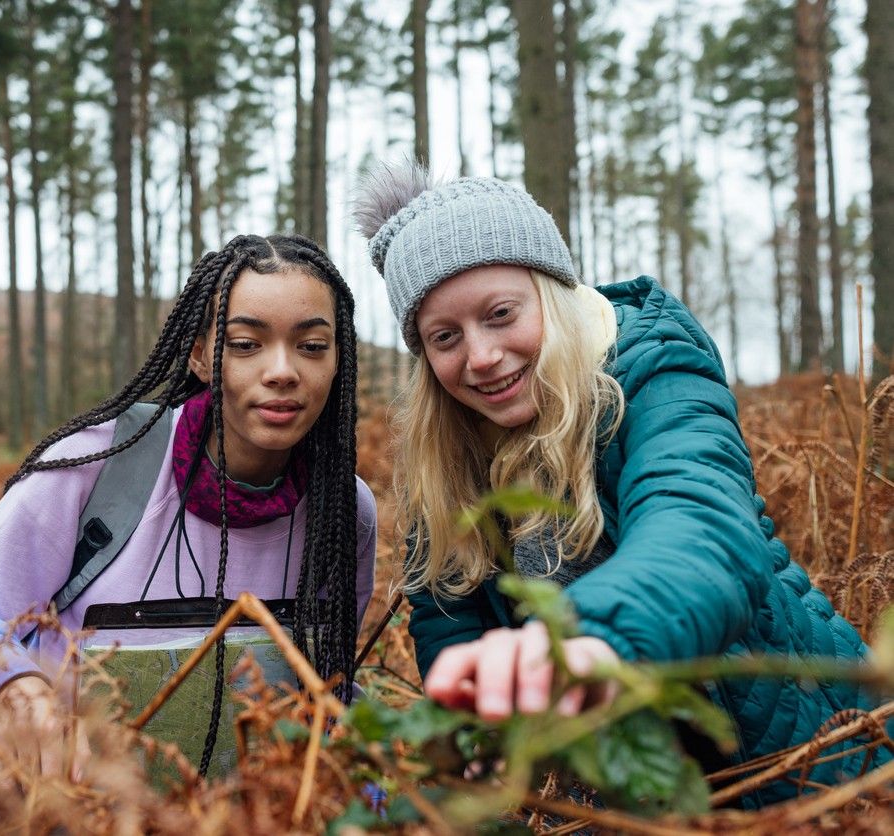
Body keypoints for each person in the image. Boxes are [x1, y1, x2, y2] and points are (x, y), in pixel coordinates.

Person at [352, 162, 888, 808]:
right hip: (620, 797)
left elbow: (699, 530)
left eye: (499, 314)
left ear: (549, 292)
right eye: (444, 337)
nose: (480, 355)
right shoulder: (456, 450)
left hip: (804, 767)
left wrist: (589, 638)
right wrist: (472, 734)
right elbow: (449, 612)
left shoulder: (655, 372)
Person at [0, 234, 377, 821]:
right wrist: (16, 688)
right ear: (202, 356)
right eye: (247, 344)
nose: (282, 371)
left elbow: (325, 686)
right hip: (72, 798)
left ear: (338, 360)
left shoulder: (343, 513)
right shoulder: (101, 465)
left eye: (311, 346)